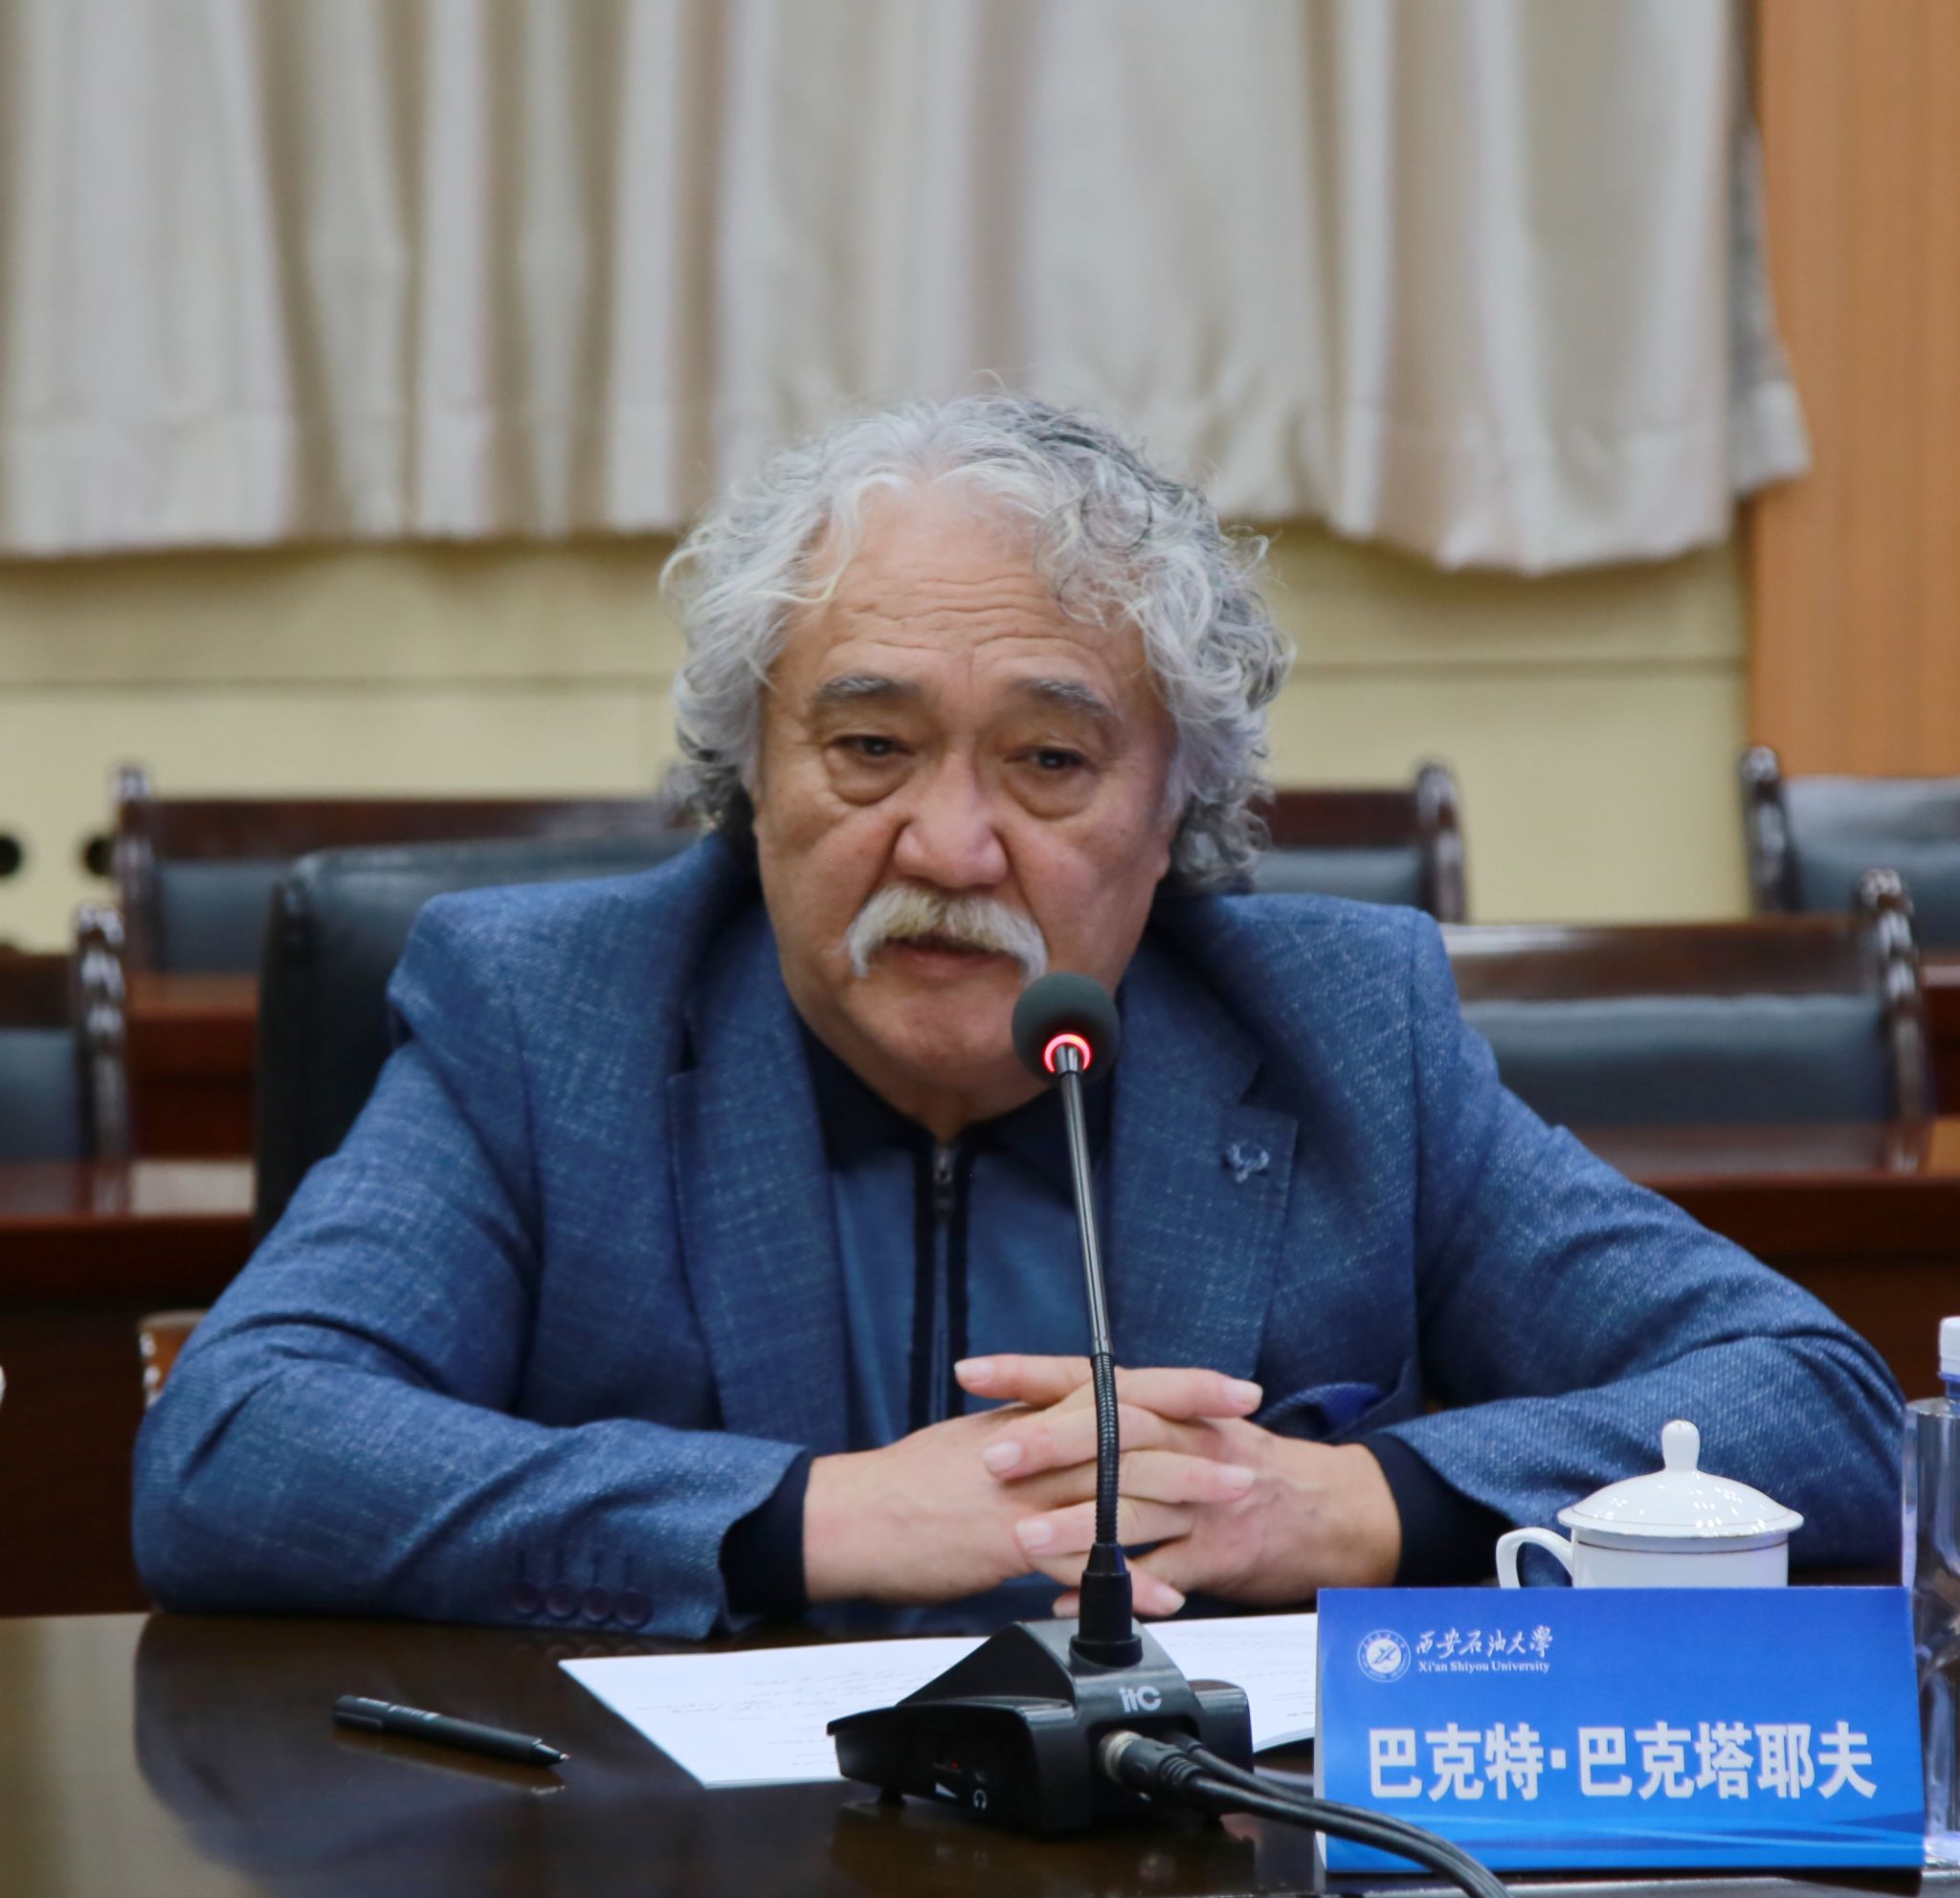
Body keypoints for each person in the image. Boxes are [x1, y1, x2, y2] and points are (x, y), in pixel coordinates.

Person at [132, 395, 1901, 1635]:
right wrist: (805, 1516)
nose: (949, 845)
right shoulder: (553, 1018)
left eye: (1050, 762)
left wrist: (1344, 1506)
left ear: (1177, 808)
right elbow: (235, 1446)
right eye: (869, 746)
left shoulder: (1342, 1032)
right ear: (750, 774)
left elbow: (1820, 1409)